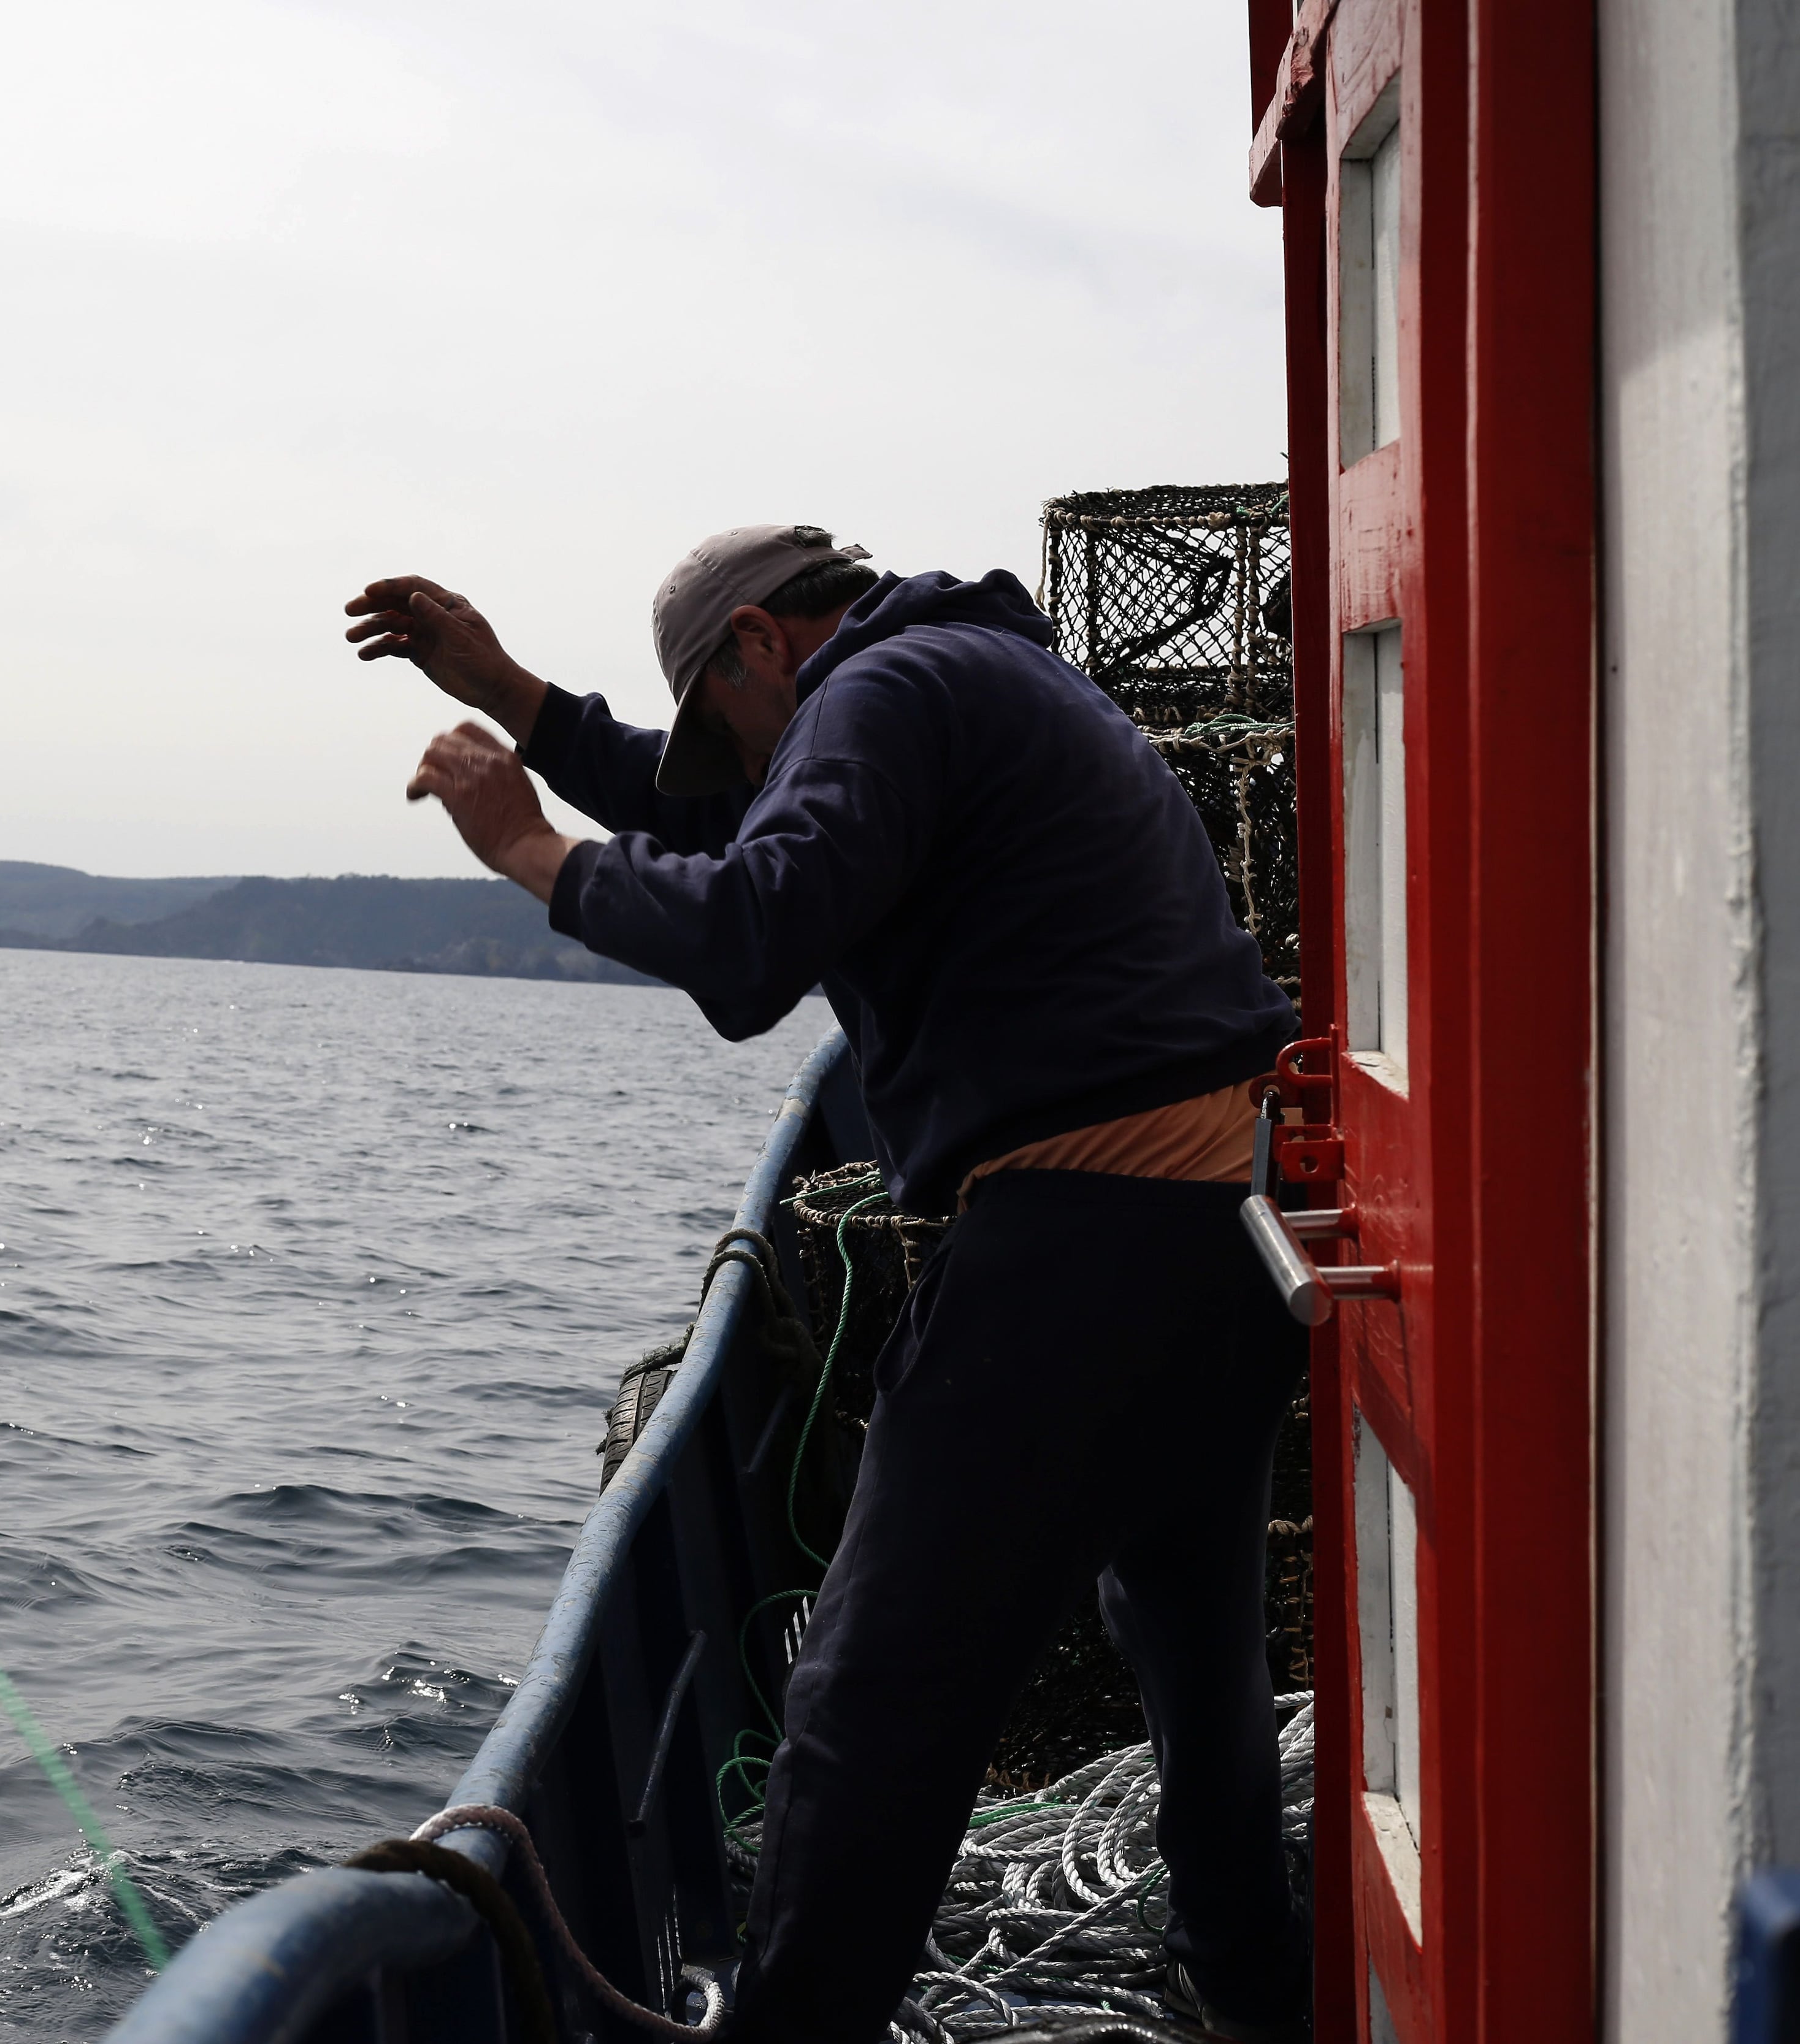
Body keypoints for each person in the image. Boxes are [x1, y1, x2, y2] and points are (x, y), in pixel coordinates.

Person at [345, 526, 1313, 2044]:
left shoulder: (879, 694)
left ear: (757, 643)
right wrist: (520, 694)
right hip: (1228, 1231)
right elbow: (747, 808)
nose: (737, 762)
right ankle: (1249, 1986)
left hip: (1081, 1244)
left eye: (723, 716)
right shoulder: (973, 671)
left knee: (866, 1704)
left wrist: (528, 846)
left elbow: (747, 936)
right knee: (1187, 1641)